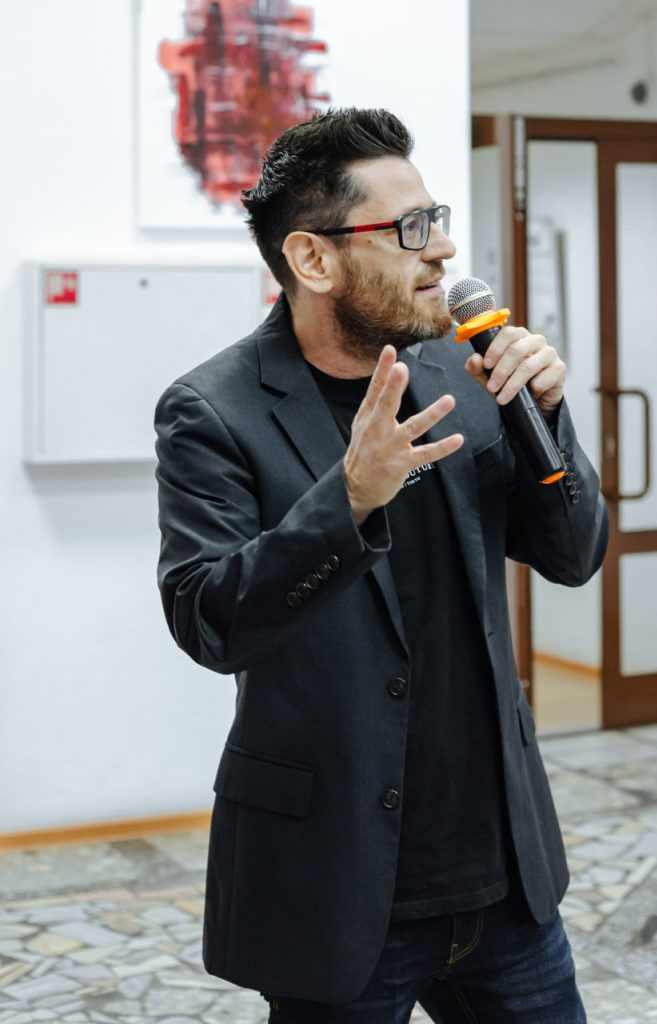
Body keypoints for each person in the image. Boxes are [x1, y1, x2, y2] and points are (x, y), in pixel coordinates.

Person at [155, 107, 608, 1023]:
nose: (442, 248)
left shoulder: (463, 377)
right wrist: (349, 498)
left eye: (437, 219)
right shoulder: (214, 410)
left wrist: (547, 420)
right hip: (337, 884)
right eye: (409, 229)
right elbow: (210, 621)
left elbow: (573, 556)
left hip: (501, 875)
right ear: (313, 260)